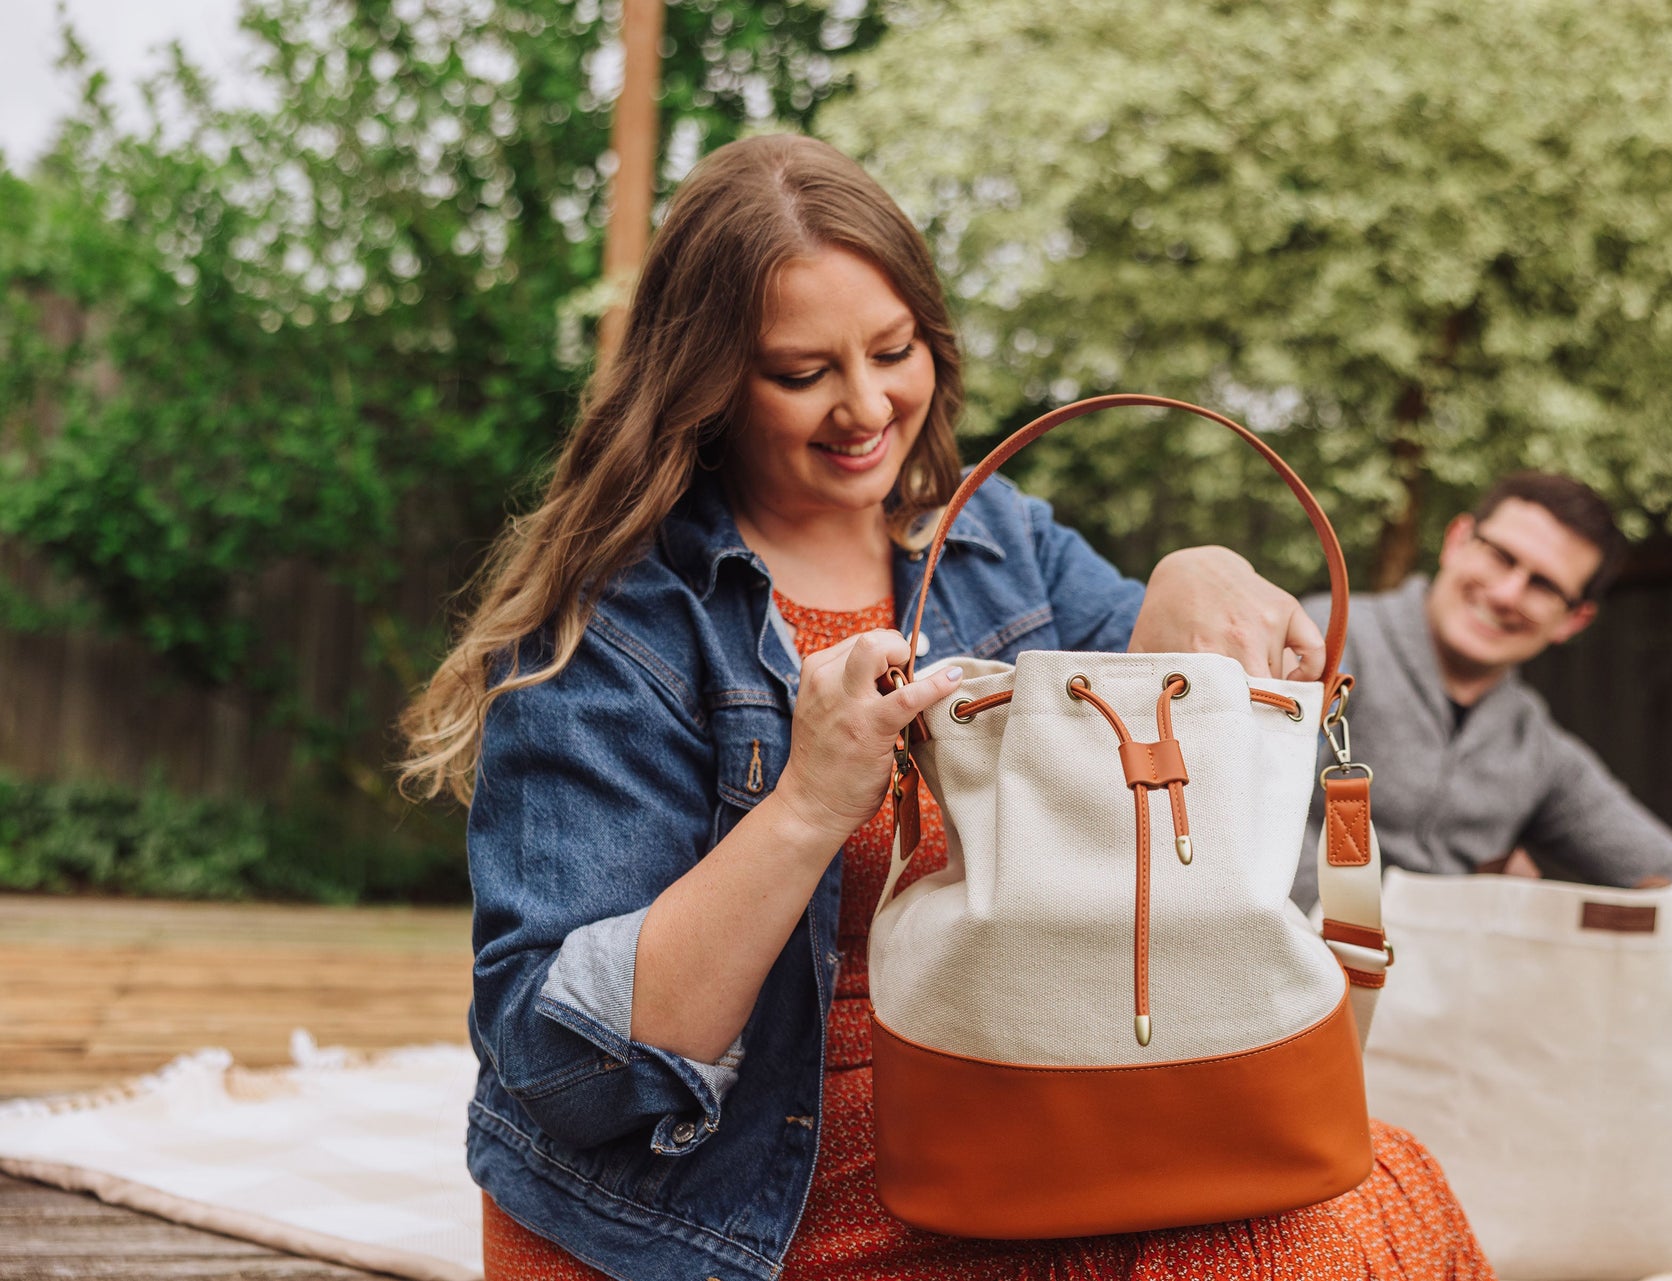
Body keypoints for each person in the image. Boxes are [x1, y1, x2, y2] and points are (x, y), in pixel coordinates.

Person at [399, 134, 1492, 1280]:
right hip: (732, 1184)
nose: (867, 406)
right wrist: (810, 801)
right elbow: (563, 1072)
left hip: (1007, 1078)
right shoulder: (612, 629)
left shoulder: (997, 545)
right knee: (1283, 1246)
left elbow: (1163, 780)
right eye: (801, 371)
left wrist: (1190, 580)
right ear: (707, 379)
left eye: (892, 348)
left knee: (1381, 1178)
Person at [1289, 472, 1672, 1191]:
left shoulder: (1535, 751)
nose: (1508, 593)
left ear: (1574, 619)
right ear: (1456, 541)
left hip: (1440, 1036)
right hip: (1287, 1005)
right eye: (1500, 556)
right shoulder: (1324, 639)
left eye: (1544, 584)